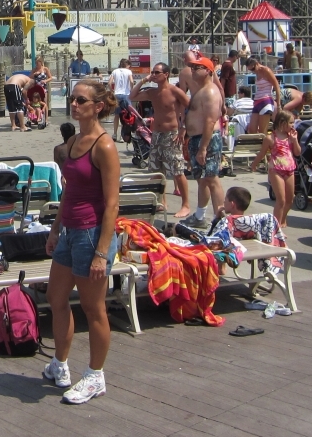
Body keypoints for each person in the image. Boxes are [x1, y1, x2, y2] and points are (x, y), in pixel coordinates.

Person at [44, 79, 120, 404]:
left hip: (92, 235)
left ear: (98, 106)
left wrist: (102, 253)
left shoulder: (104, 145)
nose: (74, 104)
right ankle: (60, 364)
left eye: (81, 100)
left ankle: (95, 376)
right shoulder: (74, 140)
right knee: (55, 297)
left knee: (93, 308)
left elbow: (112, 204)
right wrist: (55, 228)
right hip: (70, 232)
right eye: (72, 99)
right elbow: (69, 193)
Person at [130, 62, 190, 217]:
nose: (154, 75)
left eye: (157, 72)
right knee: (156, 170)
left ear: (166, 74)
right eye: (153, 72)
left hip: (172, 134)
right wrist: (144, 80)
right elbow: (132, 96)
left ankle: (186, 204)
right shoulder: (152, 92)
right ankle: (162, 202)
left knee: (177, 170)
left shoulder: (175, 91)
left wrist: (183, 128)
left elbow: (190, 107)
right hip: (156, 134)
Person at [184, 56, 226, 226]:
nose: (192, 71)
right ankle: (200, 216)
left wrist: (203, 148)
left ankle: (221, 220)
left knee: (211, 178)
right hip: (197, 139)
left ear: (208, 71)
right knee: (202, 179)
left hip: (206, 140)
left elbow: (210, 120)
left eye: (197, 68)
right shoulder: (201, 90)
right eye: (192, 68)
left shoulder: (210, 91)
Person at [250, 110, 301, 227]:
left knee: (290, 200)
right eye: (291, 123)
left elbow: (297, 153)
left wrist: (295, 140)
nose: (293, 125)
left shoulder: (291, 137)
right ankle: (276, 226)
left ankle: (282, 219)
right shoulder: (270, 137)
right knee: (281, 200)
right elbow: (262, 153)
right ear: (282, 123)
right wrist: (254, 164)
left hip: (290, 169)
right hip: (276, 170)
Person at [245, 55, 282, 135]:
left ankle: (265, 146)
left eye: (253, 68)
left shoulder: (266, 71)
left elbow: (277, 87)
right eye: (250, 70)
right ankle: (257, 146)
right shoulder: (257, 72)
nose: (252, 71)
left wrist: (278, 105)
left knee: (262, 131)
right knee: (252, 129)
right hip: (257, 101)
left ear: (257, 63)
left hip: (266, 100)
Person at [108, 59, 134, 142]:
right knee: (126, 115)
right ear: (128, 65)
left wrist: (112, 91)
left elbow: (109, 83)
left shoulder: (115, 71)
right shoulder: (128, 71)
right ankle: (123, 136)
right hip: (126, 95)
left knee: (116, 115)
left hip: (117, 94)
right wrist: (131, 90)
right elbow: (132, 81)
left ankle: (115, 134)